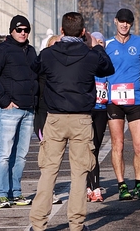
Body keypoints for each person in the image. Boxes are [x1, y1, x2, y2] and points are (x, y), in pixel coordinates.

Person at [29, 12, 114, 231]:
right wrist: (96, 46)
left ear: (62, 31)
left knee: (48, 171)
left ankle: (38, 225)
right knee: (79, 174)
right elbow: (108, 68)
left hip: (55, 119)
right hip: (81, 119)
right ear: (84, 32)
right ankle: (76, 225)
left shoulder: (48, 54)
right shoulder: (90, 55)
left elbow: (36, 68)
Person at [0, 15, 37, 208]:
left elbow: (36, 78)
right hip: (9, 111)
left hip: (28, 110)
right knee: (4, 153)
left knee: (20, 155)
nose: (23, 33)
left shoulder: (31, 51)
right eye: (19, 29)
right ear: (12, 30)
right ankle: (0, 194)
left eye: (26, 30)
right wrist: (4, 101)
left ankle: (15, 192)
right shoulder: (1, 51)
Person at [105, 8, 140, 200]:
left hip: (135, 100)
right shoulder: (108, 44)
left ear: (132, 24)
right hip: (114, 101)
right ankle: (122, 185)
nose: (125, 24)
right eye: (122, 21)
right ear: (115, 21)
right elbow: (97, 65)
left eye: (128, 22)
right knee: (117, 144)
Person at [33, 34, 63, 205]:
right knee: (46, 154)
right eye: (54, 45)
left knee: (54, 156)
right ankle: (46, 193)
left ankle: (49, 191)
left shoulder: (63, 67)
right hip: (42, 115)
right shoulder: (41, 66)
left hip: (58, 115)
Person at [86, 31, 108, 203]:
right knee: (88, 149)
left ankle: (93, 186)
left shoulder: (107, 65)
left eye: (101, 42)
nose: (98, 44)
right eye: (95, 41)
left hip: (101, 110)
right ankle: (92, 187)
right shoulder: (86, 61)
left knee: (96, 148)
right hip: (86, 111)